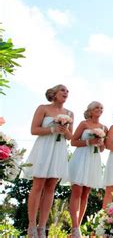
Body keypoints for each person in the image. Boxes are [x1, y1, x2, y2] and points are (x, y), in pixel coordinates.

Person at [23, 84, 74, 238]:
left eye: (67, 91)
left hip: (59, 149)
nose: (66, 92)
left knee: (51, 186)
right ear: (55, 93)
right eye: (63, 90)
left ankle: (42, 227)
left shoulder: (70, 113)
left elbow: (70, 137)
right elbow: (34, 130)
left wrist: (64, 130)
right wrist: (52, 129)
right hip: (44, 148)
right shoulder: (43, 108)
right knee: (38, 184)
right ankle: (31, 225)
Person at [68, 101, 106, 238]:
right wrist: (89, 142)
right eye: (97, 107)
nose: (99, 109)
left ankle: (77, 229)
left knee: (86, 194)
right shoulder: (84, 124)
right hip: (80, 157)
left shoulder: (104, 127)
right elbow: (73, 142)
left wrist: (100, 143)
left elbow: (102, 149)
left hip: (93, 160)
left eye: (101, 108)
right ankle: (75, 227)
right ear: (90, 110)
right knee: (77, 191)